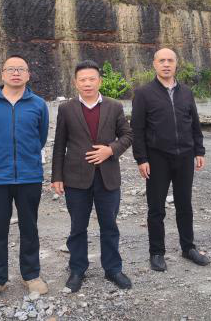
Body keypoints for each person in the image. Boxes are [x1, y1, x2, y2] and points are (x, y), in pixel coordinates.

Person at [0, 55, 50, 301]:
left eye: (21, 69)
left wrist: (26, 157)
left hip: (29, 176)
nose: (16, 73)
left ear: (28, 75)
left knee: (30, 227)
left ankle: (31, 275)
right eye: (11, 69)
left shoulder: (38, 104)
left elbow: (41, 138)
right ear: (3, 74)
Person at [51, 60, 133, 292]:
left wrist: (111, 150)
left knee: (110, 226)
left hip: (108, 177)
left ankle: (113, 269)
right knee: (78, 227)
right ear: (76, 83)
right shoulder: (66, 109)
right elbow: (59, 144)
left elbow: (128, 135)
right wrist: (56, 176)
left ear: (100, 81)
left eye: (92, 79)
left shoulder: (114, 106)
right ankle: (77, 269)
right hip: (75, 178)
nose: (87, 83)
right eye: (83, 80)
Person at [130, 48, 210, 272]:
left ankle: (188, 247)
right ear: (154, 64)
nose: (166, 64)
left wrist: (199, 150)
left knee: (185, 204)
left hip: (185, 156)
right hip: (157, 158)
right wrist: (141, 158)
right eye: (162, 60)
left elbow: (194, 123)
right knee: (156, 208)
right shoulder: (143, 93)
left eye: (170, 60)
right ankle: (157, 252)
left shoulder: (186, 92)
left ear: (176, 64)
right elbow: (137, 129)